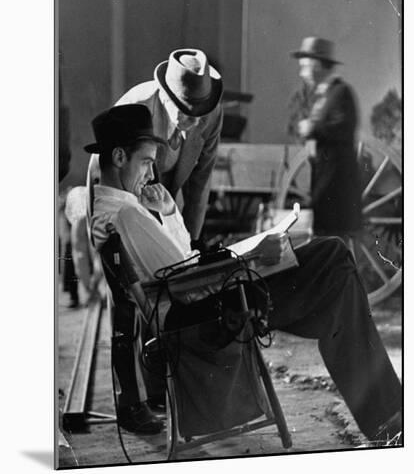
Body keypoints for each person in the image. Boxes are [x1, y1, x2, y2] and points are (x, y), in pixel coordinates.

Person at [87, 104, 401, 446]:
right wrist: (241, 258)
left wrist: (168, 213)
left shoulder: (114, 210)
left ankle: (388, 420)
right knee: (334, 257)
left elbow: (179, 267)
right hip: (209, 311)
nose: (150, 174)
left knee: (338, 291)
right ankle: (388, 418)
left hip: (206, 301)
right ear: (120, 158)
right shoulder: (128, 215)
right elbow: (183, 278)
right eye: (147, 162)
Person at [113, 48, 224, 244]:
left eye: (201, 113)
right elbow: (106, 180)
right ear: (165, 97)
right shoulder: (134, 109)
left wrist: (192, 243)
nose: (196, 121)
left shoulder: (211, 115)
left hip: (166, 205)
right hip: (124, 206)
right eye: (186, 111)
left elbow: (200, 183)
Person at [287, 37, 362, 241]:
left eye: (304, 66)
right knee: (326, 237)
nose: (302, 72)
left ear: (318, 64)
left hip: (337, 184)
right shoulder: (323, 95)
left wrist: (313, 127)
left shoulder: (341, 92)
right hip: (324, 182)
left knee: (333, 239)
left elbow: (344, 127)